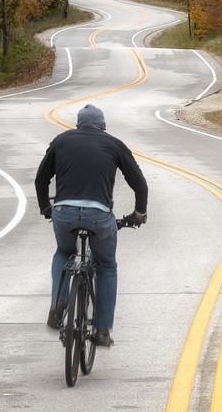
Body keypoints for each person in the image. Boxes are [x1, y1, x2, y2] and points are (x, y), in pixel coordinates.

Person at [34, 104, 147, 347]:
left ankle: (59, 302)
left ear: (78, 124)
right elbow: (140, 184)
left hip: (64, 213)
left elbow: (41, 178)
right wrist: (138, 214)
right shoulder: (114, 144)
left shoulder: (61, 141)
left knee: (64, 252)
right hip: (99, 215)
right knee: (106, 265)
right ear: (103, 126)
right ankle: (103, 330)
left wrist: (46, 207)